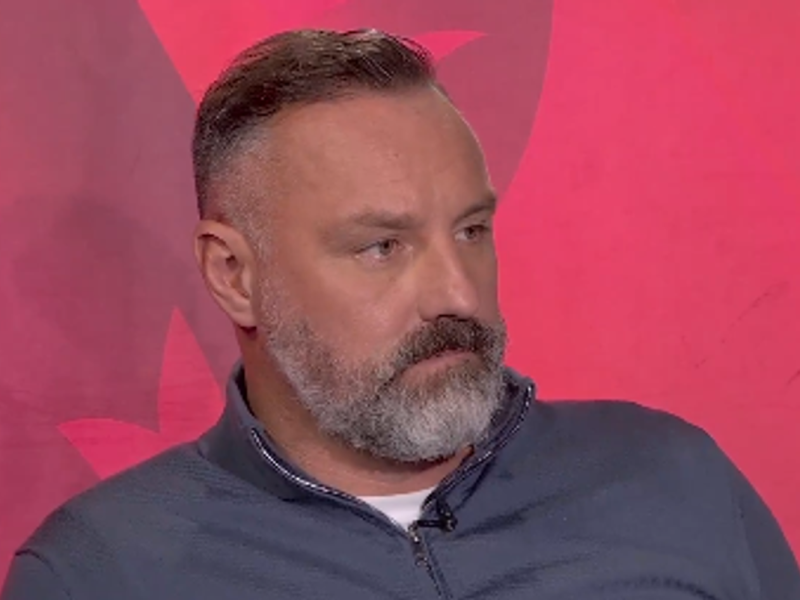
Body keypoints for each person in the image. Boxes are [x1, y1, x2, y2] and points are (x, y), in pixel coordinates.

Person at [3, 28, 799, 600]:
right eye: (382, 246)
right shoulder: (100, 572)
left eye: (472, 231)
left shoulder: (672, 478)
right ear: (234, 274)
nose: (458, 295)